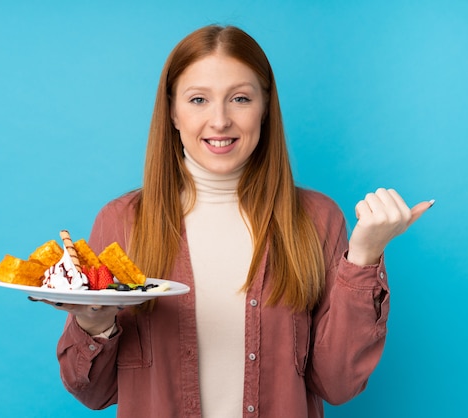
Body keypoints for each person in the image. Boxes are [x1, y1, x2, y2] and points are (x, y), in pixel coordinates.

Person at [45, 24, 433, 417]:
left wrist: (364, 257)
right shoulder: (122, 222)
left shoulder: (317, 219)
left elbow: (337, 384)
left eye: (240, 99)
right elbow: (93, 393)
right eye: (198, 99)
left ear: (265, 108)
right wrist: (95, 326)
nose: (220, 121)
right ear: (172, 112)